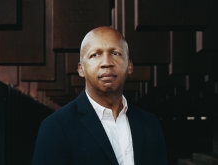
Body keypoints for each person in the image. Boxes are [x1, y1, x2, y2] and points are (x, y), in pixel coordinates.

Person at [32, 26, 167, 165]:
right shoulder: (55, 127)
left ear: (130, 66)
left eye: (116, 53)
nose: (107, 63)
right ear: (81, 69)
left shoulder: (150, 124)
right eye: (95, 55)